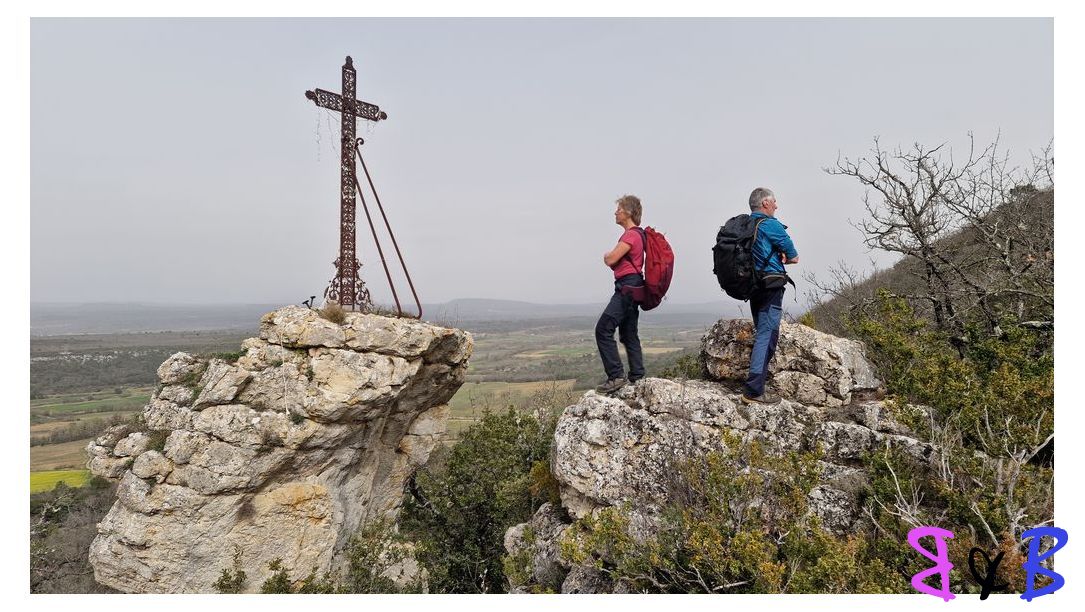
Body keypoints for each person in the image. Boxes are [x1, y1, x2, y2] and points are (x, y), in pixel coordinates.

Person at [742, 187, 799, 405]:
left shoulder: (747, 225)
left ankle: (756, 384)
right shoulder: (770, 225)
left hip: (752, 285)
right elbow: (794, 257)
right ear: (765, 203)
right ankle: (754, 390)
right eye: (774, 201)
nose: (776, 205)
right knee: (767, 334)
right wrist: (784, 256)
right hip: (770, 286)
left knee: (763, 331)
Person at [595, 195, 646, 394]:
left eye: (619, 209)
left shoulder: (631, 235)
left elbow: (611, 259)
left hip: (626, 287)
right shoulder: (638, 235)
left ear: (629, 212)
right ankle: (637, 376)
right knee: (629, 334)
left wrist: (608, 256)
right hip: (634, 287)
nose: (616, 212)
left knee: (603, 329)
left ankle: (615, 376)